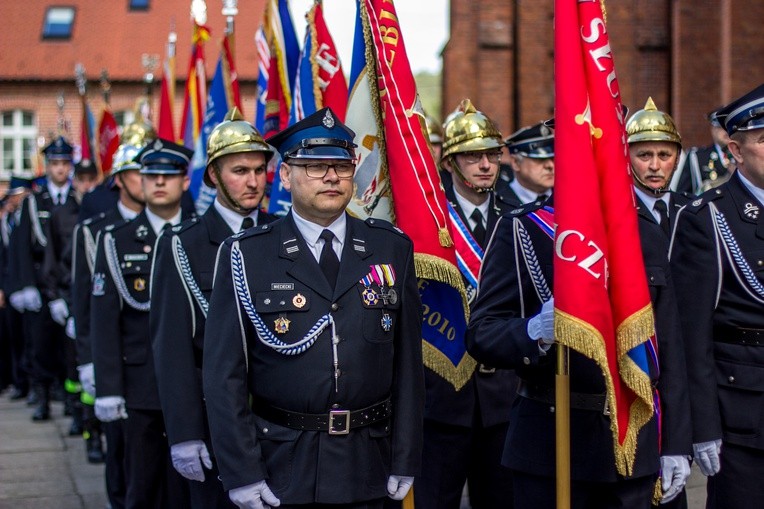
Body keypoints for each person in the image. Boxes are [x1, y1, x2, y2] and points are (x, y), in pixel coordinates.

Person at [465, 112, 692, 509]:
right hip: (550, 441)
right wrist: (535, 330)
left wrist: (676, 442)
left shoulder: (641, 230)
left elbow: (669, 345)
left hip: (634, 440)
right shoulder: (522, 228)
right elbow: (481, 334)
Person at [203, 107, 424, 509]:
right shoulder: (248, 254)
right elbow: (224, 377)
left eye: (341, 166)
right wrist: (241, 471)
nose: (331, 176)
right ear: (285, 176)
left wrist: (405, 457)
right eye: (315, 166)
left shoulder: (391, 247)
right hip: (283, 464)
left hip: (370, 460)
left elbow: (408, 367)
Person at [151, 108, 277, 508]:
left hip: (281, 423)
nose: (253, 181)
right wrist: (185, 432)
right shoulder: (182, 243)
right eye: (240, 170)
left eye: (259, 170)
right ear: (213, 176)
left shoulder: (281, 233)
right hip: (213, 422)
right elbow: (172, 349)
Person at [414, 98, 515, 509]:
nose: (486, 165)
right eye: (473, 157)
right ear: (451, 162)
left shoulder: (516, 216)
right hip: (440, 395)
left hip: (505, 394)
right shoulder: (427, 220)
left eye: (491, 155)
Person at [670, 83, 764, 509]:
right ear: (737, 150)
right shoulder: (708, 217)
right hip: (744, 411)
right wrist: (702, 426)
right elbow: (691, 335)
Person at [90, 138, 194, 509]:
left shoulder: (201, 237)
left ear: (186, 181)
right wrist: (108, 388)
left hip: (196, 383)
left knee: (194, 489)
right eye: (151, 175)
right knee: (143, 484)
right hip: (141, 385)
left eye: (169, 175)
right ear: (141, 181)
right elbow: (104, 322)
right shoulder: (115, 241)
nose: (160, 182)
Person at [72, 122, 153, 506]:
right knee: (119, 450)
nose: (147, 179)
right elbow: (88, 303)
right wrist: (89, 362)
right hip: (116, 358)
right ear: (120, 177)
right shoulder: (96, 230)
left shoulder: (173, 223)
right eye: (139, 172)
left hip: (154, 362)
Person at [625, 98, 694, 508]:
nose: (654, 165)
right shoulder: (619, 219)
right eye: (644, 154)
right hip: (644, 361)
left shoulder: (695, 212)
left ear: (677, 158)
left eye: (664, 155)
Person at [8, 136, 77, 421]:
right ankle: (43, 397)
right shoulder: (34, 203)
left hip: (67, 282)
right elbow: (21, 246)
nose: (60, 170)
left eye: (64, 164)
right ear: (47, 167)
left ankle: (74, 407)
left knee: (70, 349)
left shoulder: (77, 200)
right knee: (40, 344)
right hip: (40, 282)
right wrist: (24, 285)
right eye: (55, 164)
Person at [40, 158, 98, 436]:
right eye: (82, 180)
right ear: (75, 181)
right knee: (73, 362)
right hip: (70, 294)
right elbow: (53, 257)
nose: (87, 186)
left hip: (96, 296)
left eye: (91, 180)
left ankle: (93, 424)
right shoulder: (62, 213)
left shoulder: (103, 210)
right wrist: (55, 297)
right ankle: (79, 415)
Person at [0, 177, 33, 401]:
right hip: (9, 286)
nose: (13, 200)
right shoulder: (7, 221)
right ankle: (18, 380)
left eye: (17, 195)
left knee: (31, 338)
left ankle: (32, 383)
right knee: (14, 338)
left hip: (28, 286)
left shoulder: (27, 219)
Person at [671, 109, 734, 195]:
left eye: (730, 126)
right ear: (713, 129)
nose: (726, 131)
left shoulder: (743, 155)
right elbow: (683, 194)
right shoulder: (698, 157)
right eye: (721, 127)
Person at [498, 122, 555, 207]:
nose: (550, 165)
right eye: (540, 159)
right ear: (516, 163)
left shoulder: (568, 197)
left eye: (553, 158)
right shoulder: (498, 203)